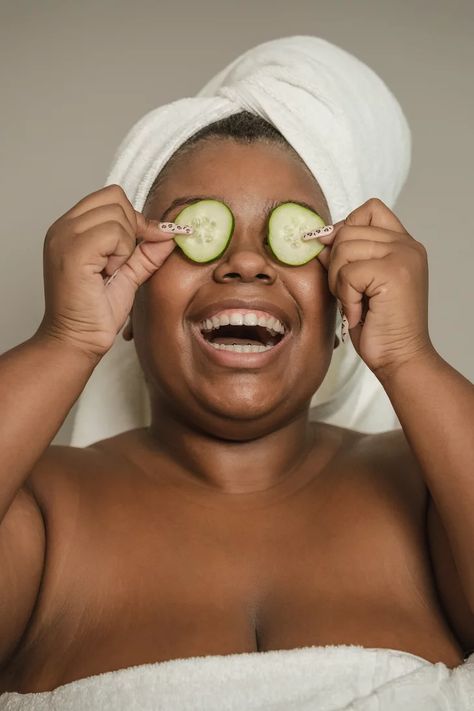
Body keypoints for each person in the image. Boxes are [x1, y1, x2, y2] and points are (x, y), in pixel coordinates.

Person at [0, 38, 473, 709]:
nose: (247, 264)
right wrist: (64, 340)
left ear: (345, 303)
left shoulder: (434, 495)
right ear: (126, 294)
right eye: (202, 230)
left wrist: (411, 357)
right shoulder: (40, 510)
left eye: (295, 234)